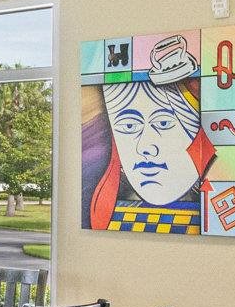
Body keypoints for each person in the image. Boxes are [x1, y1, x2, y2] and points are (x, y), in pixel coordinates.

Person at [85, 38, 215, 233]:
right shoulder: (111, 216)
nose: (145, 147)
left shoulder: (215, 215)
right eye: (129, 126)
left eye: (163, 123)